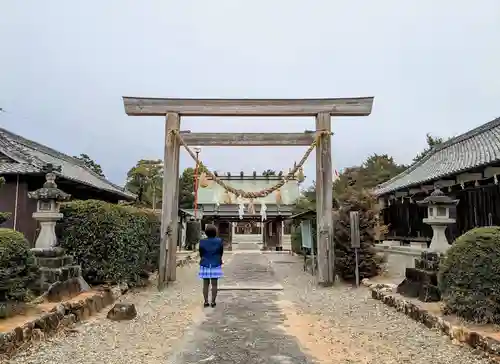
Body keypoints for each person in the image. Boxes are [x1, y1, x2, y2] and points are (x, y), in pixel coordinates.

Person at [198, 224, 223, 307]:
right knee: (214, 284)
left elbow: (201, 253)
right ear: (215, 232)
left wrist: (204, 258)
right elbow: (220, 252)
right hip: (215, 263)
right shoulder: (219, 241)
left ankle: (205, 301)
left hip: (205, 263)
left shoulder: (202, 241)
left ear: (206, 232)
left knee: (205, 284)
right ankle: (213, 302)